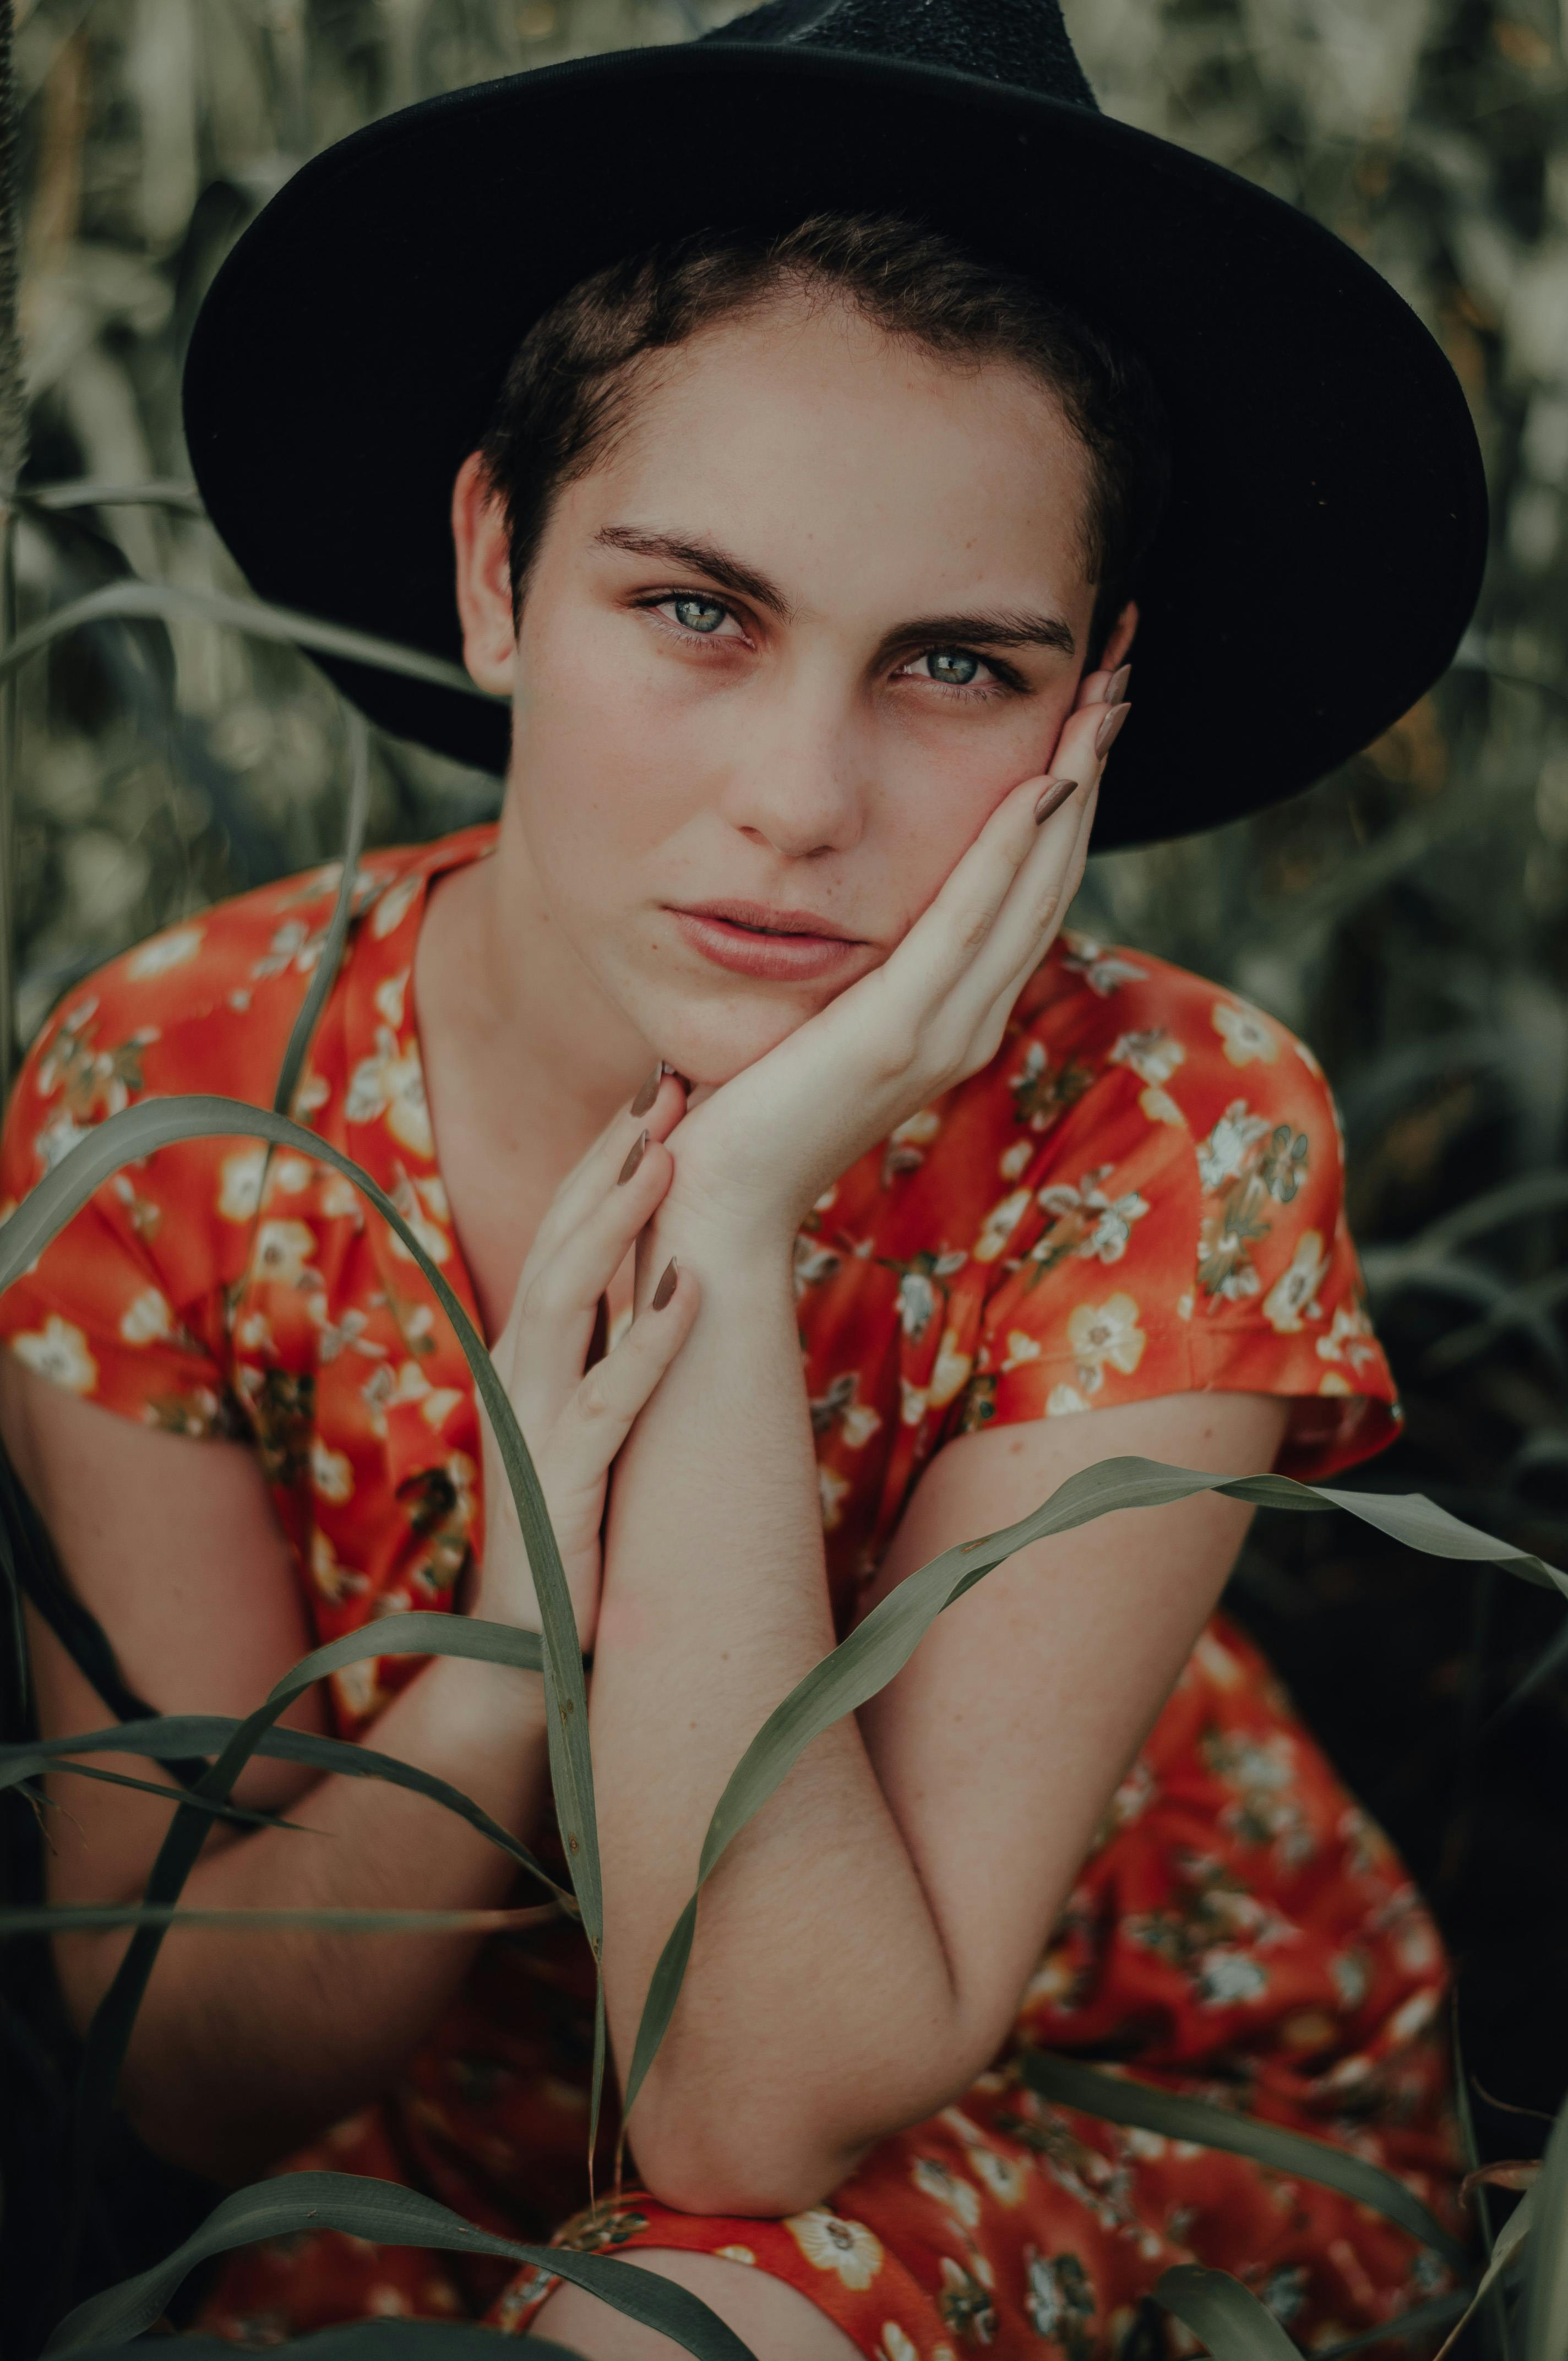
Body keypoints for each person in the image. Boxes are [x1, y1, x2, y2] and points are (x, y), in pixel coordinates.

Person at [0, 5, 1487, 2355]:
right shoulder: (180, 1085)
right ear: (498, 570)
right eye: (696, 609)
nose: (803, 792)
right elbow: (171, 2065)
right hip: (423, 2161)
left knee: (681, 2320)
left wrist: (731, 1222)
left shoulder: (1165, 1131)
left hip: (1109, 2130)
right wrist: (499, 1661)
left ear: (1091, 699)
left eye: (957, 667)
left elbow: (747, 2113)